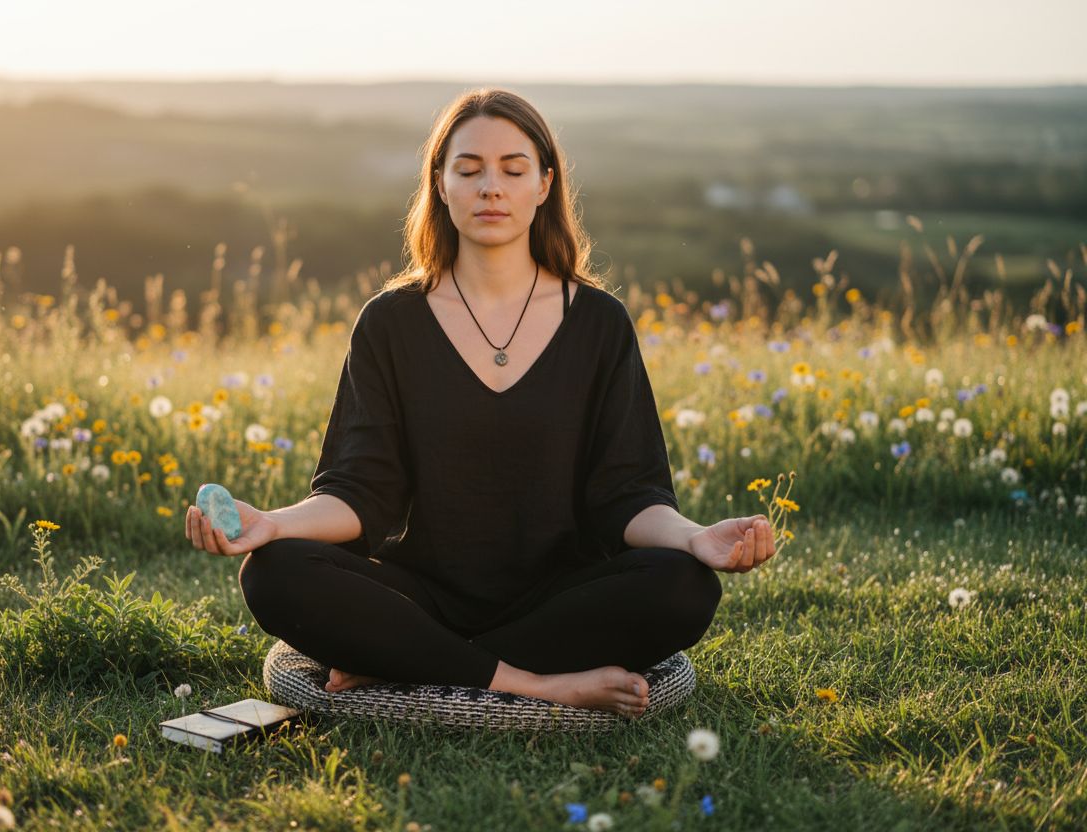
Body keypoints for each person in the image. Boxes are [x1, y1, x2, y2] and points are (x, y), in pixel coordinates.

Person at [184, 88, 776, 718]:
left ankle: (405, 658)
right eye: (468, 170)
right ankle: (538, 685)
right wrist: (275, 523)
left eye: (513, 170)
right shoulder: (390, 323)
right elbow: (361, 492)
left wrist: (696, 539)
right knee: (275, 574)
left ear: (545, 184)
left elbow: (627, 495)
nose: (491, 187)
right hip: (423, 591)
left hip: (560, 596)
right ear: (440, 185)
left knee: (683, 587)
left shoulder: (599, 323)